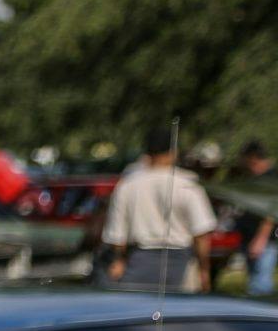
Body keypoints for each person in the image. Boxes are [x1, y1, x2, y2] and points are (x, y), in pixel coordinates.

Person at [101, 126, 217, 293]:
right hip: (180, 260)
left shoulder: (128, 185)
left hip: (139, 259)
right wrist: (204, 270)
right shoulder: (188, 184)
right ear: (173, 151)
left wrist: (119, 260)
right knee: (177, 313)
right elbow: (201, 234)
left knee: (139, 312)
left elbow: (117, 236)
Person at [235, 140, 273, 299]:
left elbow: (271, 211)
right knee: (255, 280)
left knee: (260, 285)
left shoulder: (271, 177)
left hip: (265, 241)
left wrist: (261, 238)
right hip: (252, 237)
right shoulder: (255, 177)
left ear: (252, 157)